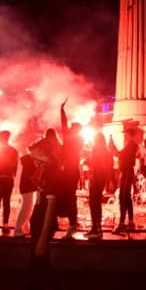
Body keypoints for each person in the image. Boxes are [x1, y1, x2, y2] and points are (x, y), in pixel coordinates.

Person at [25, 128, 70, 290]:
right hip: (38, 221)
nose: (34, 161)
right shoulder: (46, 170)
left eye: (37, 158)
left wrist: (43, 238)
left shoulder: (54, 174)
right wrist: (38, 173)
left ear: (46, 155)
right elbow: (40, 192)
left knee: (34, 271)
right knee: (44, 266)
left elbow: (51, 207)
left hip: (44, 224)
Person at [60, 99, 84, 239]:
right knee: (70, 196)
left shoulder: (71, 138)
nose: (70, 126)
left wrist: (62, 111)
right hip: (72, 170)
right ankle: (72, 222)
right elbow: (65, 125)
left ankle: (72, 223)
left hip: (68, 170)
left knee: (68, 196)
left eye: (72, 126)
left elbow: (64, 124)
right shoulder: (78, 139)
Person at [88, 133, 113, 239]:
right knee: (96, 202)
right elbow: (108, 166)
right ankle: (97, 227)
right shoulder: (106, 150)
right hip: (100, 178)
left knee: (93, 202)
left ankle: (96, 228)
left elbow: (97, 164)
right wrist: (109, 180)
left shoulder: (97, 149)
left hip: (96, 177)